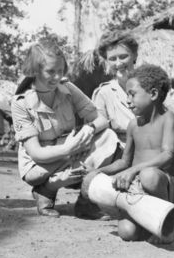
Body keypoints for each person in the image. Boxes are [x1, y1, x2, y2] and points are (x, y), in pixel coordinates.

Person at [92, 30, 174, 235]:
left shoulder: (159, 88)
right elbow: (98, 125)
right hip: (126, 154)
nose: (118, 63)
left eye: (123, 56)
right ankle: (135, 212)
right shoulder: (104, 93)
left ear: (134, 56)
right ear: (106, 61)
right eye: (112, 58)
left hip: (163, 152)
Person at [11, 39, 118, 218]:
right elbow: (36, 152)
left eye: (60, 71)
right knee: (48, 174)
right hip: (39, 164)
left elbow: (102, 120)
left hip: (72, 150)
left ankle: (85, 201)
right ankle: (46, 189)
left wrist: (90, 128)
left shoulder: (67, 87)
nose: (57, 77)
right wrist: (67, 150)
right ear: (35, 71)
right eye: (50, 71)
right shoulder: (21, 103)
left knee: (107, 137)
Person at [97, 63, 174, 243]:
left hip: (161, 184)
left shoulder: (169, 119)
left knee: (149, 175)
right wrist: (99, 172)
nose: (127, 100)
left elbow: (168, 155)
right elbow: (124, 162)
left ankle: (165, 221)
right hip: (136, 186)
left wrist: (135, 170)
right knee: (127, 233)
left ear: (153, 94)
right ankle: (144, 221)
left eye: (132, 94)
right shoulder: (133, 125)